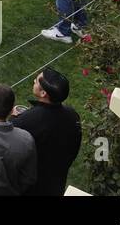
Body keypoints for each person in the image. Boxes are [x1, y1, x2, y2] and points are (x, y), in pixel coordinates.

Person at [12, 68, 83, 196]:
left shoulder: (26, 122)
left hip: (32, 186)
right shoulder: (73, 116)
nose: (33, 80)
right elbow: (74, 149)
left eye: (37, 81)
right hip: (57, 183)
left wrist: (19, 118)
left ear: (44, 93)